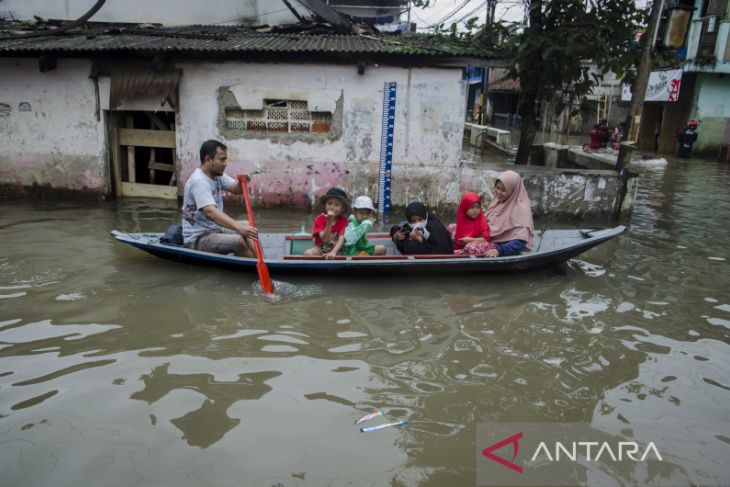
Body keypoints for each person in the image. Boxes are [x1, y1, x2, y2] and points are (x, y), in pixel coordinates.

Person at [181, 139, 258, 257]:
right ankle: (253, 269)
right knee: (239, 242)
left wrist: (242, 182)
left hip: (215, 229)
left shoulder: (217, 175)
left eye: (225, 159)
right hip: (198, 238)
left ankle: (265, 262)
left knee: (249, 226)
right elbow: (210, 212)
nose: (225, 163)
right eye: (222, 159)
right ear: (208, 159)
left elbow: (237, 190)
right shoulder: (199, 181)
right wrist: (239, 228)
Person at [483, 170, 534, 258]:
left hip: (501, 247)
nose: (498, 192)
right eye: (497, 188)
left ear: (512, 190)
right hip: (487, 238)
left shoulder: (521, 210)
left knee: (470, 247)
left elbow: (520, 241)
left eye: (503, 190)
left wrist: (499, 251)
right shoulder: (498, 201)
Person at [304, 187, 349, 259]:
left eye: (337, 205)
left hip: (337, 249)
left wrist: (333, 252)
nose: (332, 207)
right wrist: (329, 220)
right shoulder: (319, 219)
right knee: (308, 253)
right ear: (325, 205)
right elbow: (325, 239)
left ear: (342, 208)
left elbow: (341, 239)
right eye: (329, 203)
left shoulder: (344, 221)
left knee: (344, 256)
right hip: (321, 248)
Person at [447, 192, 497, 256]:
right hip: (465, 243)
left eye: (478, 207)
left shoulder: (482, 220)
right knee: (451, 227)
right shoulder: (463, 217)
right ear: (465, 208)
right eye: (472, 208)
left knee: (470, 247)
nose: (475, 210)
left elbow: (487, 238)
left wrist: (470, 240)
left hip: (478, 244)